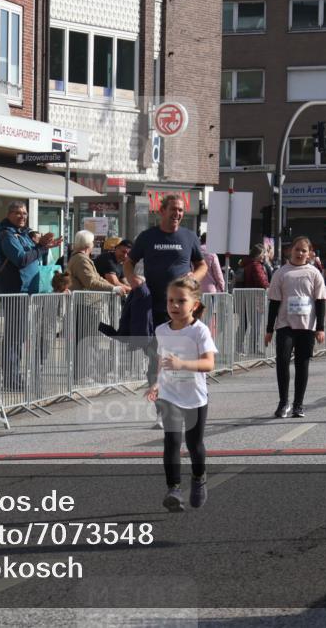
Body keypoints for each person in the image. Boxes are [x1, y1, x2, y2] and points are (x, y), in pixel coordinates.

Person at [124, 195, 207, 418]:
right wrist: (132, 278)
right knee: (156, 359)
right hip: (155, 309)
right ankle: (162, 409)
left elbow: (202, 264)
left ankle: (183, 403)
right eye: (173, 209)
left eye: (180, 210)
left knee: (181, 358)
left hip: (183, 313)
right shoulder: (148, 237)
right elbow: (129, 262)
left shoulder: (189, 237)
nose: (177, 214)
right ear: (162, 211)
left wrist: (195, 277)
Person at [145, 276, 217, 512]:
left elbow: (209, 365)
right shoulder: (161, 330)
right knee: (172, 441)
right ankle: (173, 489)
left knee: (195, 445)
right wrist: (156, 383)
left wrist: (182, 364)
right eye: (170, 301)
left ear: (194, 304)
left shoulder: (200, 331)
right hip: (170, 394)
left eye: (181, 301)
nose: (174, 306)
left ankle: (198, 478)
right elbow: (162, 360)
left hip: (195, 395)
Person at [0, 201, 61, 390]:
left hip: (26, 293)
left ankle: (15, 378)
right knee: (14, 337)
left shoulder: (23, 234)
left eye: (24, 213)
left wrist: (44, 246)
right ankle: (11, 380)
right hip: (15, 292)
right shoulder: (6, 235)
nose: (22, 216)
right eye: (17, 213)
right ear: (9, 214)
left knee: (19, 336)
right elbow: (21, 259)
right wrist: (40, 249)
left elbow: (32, 253)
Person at [264, 236, 326, 418]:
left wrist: (320, 328)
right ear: (290, 251)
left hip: (307, 326)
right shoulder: (281, 273)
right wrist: (269, 329)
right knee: (282, 360)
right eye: (297, 250)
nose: (300, 253)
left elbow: (321, 301)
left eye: (304, 251)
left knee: (302, 364)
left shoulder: (314, 273)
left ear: (309, 254)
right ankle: (283, 402)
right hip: (285, 324)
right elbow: (274, 302)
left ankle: (298, 404)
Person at [69, 230, 130, 382]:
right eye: (92, 242)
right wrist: (113, 288)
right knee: (85, 339)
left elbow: (97, 279)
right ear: (88, 244)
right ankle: (82, 374)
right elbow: (91, 281)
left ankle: (87, 371)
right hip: (85, 304)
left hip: (90, 304)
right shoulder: (81, 260)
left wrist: (113, 287)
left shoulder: (84, 259)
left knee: (90, 339)